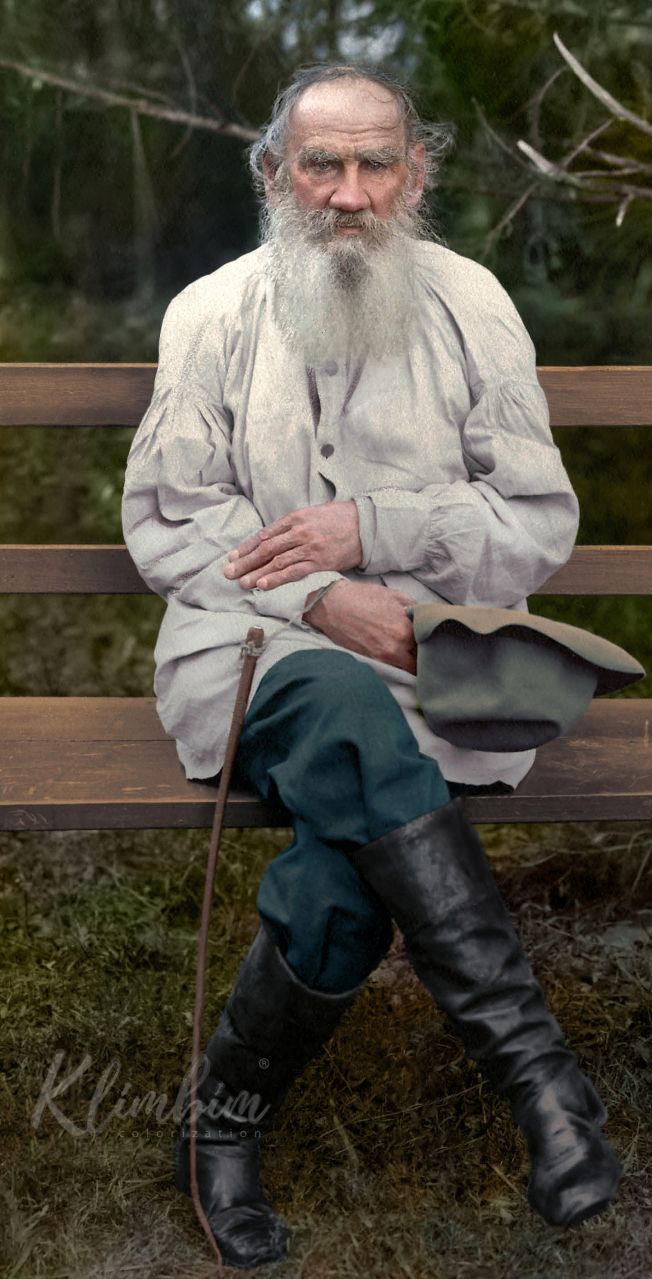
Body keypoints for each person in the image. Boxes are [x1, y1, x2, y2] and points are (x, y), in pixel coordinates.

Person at [121, 63, 622, 1269]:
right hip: (247, 642)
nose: (347, 194)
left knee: (349, 864)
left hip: (427, 655)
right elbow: (171, 519)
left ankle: (219, 1122)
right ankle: (544, 1086)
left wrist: (378, 533)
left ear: (415, 173)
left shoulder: (472, 304)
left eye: (373, 165)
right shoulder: (211, 312)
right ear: (273, 174)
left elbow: (536, 521)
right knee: (339, 703)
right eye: (320, 165)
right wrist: (314, 590)